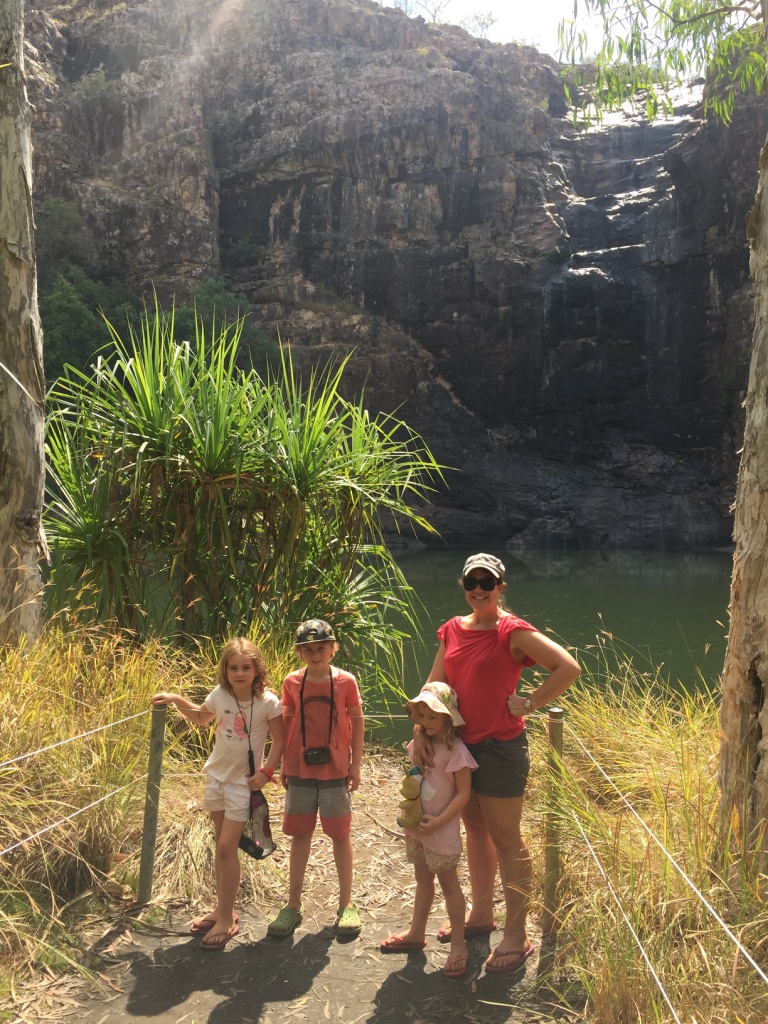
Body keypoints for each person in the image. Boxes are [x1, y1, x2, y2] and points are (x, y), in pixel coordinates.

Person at [413, 553, 580, 974]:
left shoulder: (513, 632)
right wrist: (421, 729)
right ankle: (482, 915)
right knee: (475, 830)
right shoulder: (452, 629)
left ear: (501, 586)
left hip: (501, 748)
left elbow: (567, 667)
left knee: (507, 837)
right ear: (464, 584)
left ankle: (516, 932)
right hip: (460, 749)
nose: (479, 589)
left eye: (487, 581)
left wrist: (530, 702)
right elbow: (436, 686)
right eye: (472, 581)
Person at [150, 637, 284, 950]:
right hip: (217, 777)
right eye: (233, 668)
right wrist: (174, 699)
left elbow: (279, 740)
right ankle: (223, 910)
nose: (239, 673)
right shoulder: (220, 694)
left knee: (226, 848)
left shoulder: (268, 702)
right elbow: (200, 717)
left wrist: (266, 773)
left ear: (256, 670)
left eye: (245, 668)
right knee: (220, 844)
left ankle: (226, 919)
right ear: (225, 671)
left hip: (242, 784)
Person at [268, 618, 365, 938]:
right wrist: (282, 763)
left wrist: (356, 765)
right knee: (300, 834)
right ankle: (293, 904)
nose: (315, 654)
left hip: (336, 769)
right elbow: (285, 725)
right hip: (299, 770)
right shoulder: (292, 682)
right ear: (299, 653)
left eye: (321, 647)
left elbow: (358, 723)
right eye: (307, 649)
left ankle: (346, 904)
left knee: (340, 834)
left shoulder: (346, 681)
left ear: (333, 649)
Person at [380, 681, 478, 978]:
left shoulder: (456, 752)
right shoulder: (420, 745)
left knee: (450, 886)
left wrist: (440, 820)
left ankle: (459, 945)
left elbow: (463, 794)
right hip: (419, 827)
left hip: (441, 831)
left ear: (449, 717)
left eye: (432, 717)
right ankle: (416, 932)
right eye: (421, 717)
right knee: (422, 880)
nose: (425, 723)